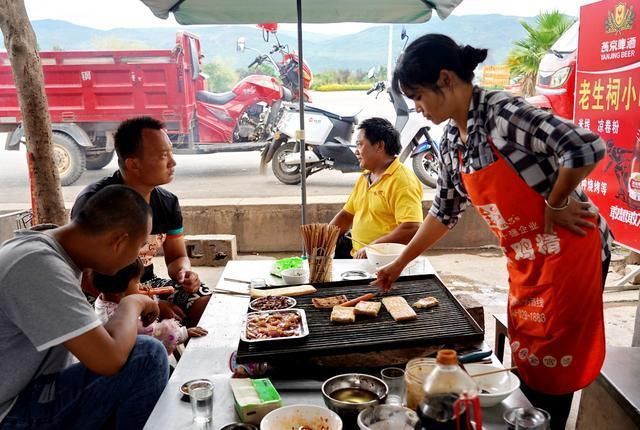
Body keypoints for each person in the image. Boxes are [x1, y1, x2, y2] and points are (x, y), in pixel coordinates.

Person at [375, 34, 612, 430]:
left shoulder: (501, 112)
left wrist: (556, 201)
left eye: (418, 95)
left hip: (571, 254)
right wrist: (400, 262)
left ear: (446, 79)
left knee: (554, 367)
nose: (416, 107)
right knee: (530, 357)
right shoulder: (452, 139)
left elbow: (584, 146)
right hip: (527, 260)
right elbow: (443, 211)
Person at [0, 185, 169, 429]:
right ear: (119, 241)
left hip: (32, 390)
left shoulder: (46, 251)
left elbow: (97, 343)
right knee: (148, 356)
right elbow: (108, 360)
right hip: (11, 410)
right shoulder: (38, 266)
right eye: (139, 246)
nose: (138, 257)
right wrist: (132, 303)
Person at [71, 116, 211, 326]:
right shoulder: (96, 203)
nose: (173, 162)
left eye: (171, 153)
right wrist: (145, 304)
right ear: (133, 164)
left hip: (147, 284)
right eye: (164, 155)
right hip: (105, 294)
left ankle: (186, 353)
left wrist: (184, 272)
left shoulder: (167, 202)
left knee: (207, 304)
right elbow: (89, 278)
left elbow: (176, 257)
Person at [330, 117, 423, 259]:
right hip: (357, 257)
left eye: (360, 144)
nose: (356, 151)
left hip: (385, 262)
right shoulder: (366, 177)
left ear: (379, 146)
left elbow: (411, 227)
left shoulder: (403, 181)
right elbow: (346, 215)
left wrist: (372, 248)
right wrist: (323, 237)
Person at [92, 258, 208, 356]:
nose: (140, 285)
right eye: (137, 282)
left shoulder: (106, 298)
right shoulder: (122, 317)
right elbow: (154, 332)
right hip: (135, 361)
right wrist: (183, 333)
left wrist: (150, 298)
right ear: (119, 290)